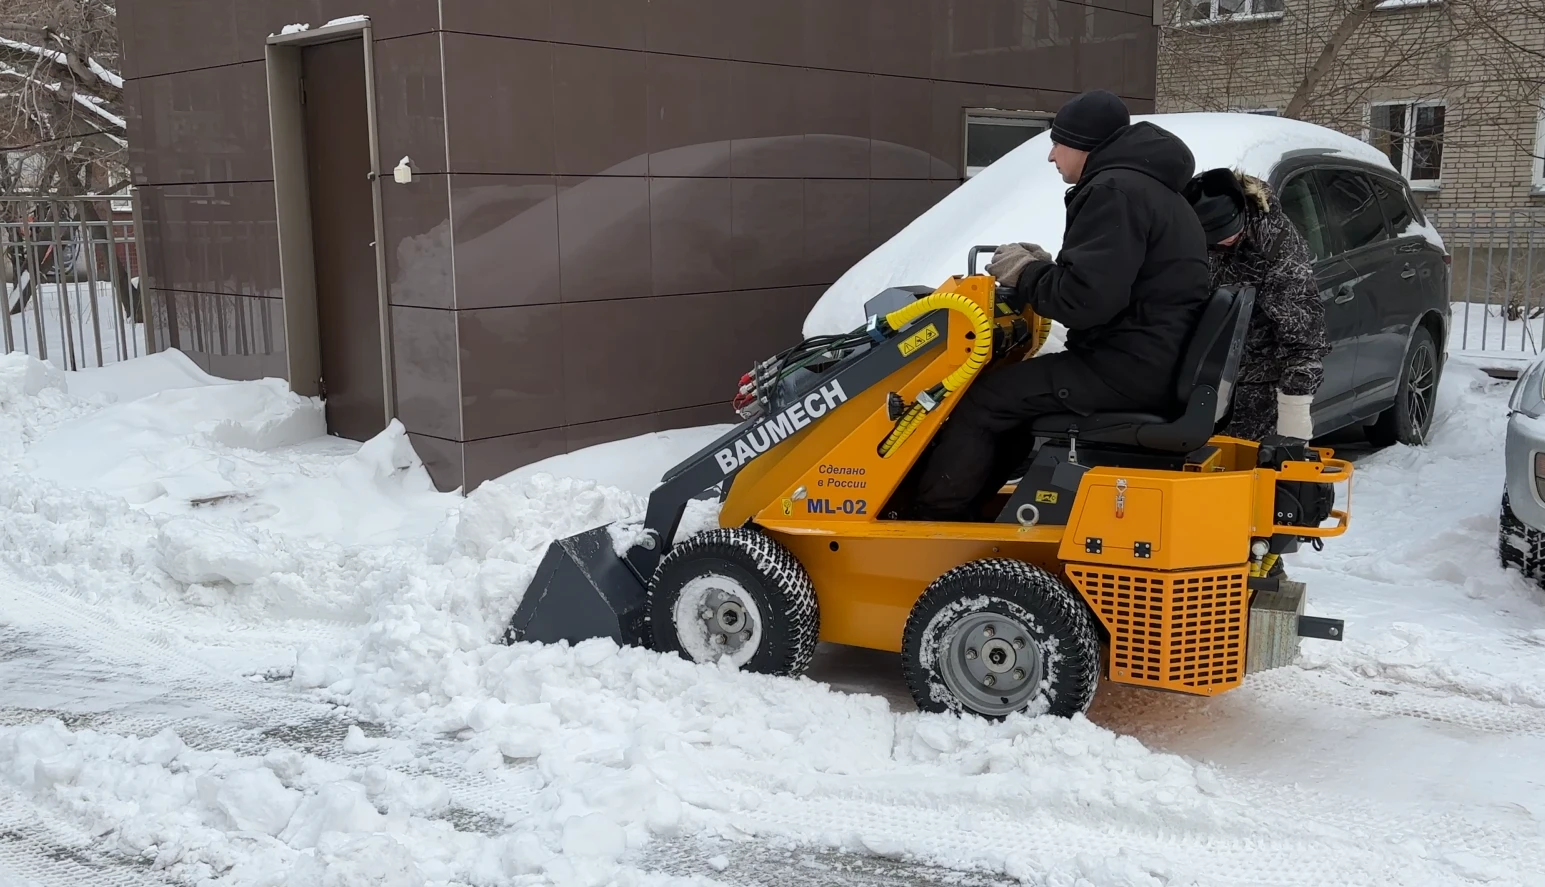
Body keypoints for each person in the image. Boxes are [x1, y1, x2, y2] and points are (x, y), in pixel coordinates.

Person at [909, 89, 1212, 521]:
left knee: (984, 399)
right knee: (1011, 400)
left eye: (1058, 142)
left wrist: (1025, 274)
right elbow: (1112, 282)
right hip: (1151, 359)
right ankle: (971, 508)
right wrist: (1045, 268)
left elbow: (1084, 302)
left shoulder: (1114, 190)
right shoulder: (1150, 190)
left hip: (1127, 367)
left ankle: (932, 522)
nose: (1052, 156)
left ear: (1085, 145)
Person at [1183, 168, 1330, 444]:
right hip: (1200, 376)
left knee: (1248, 472)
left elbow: (1302, 334)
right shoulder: (1190, 223)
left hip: (1256, 387)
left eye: (1228, 235)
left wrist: (1293, 411)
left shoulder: (1276, 245)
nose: (1222, 243)